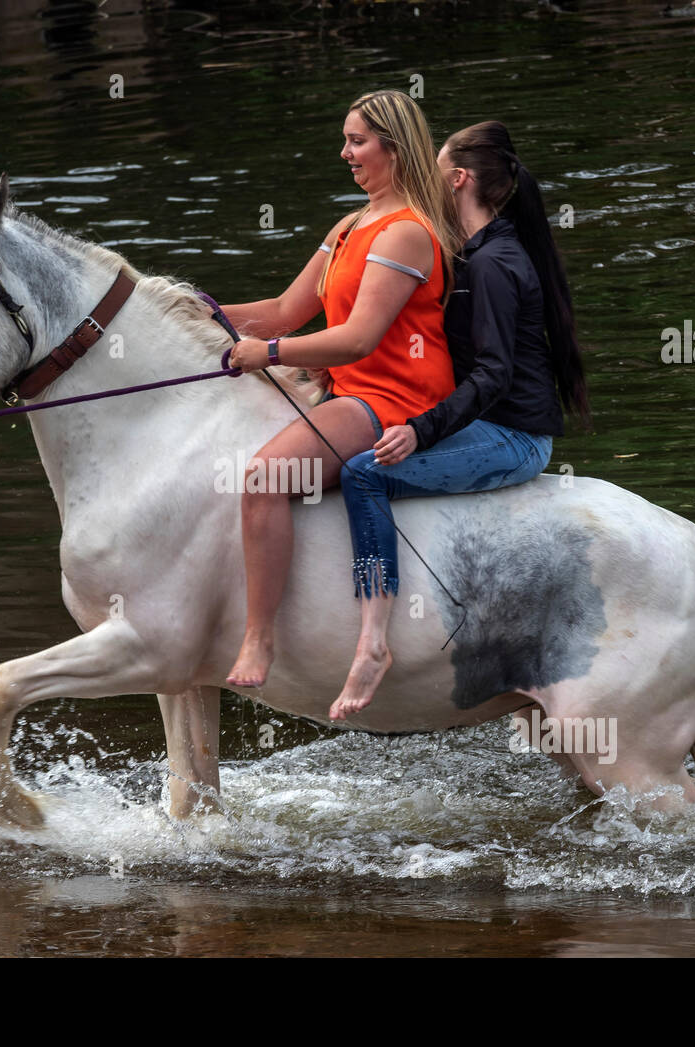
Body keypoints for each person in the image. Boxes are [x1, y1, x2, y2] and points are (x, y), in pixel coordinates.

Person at [328, 120, 592, 722]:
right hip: (485, 423)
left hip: (513, 438)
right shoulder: (470, 253)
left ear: (457, 179)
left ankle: (373, 641)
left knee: (364, 474)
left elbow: (495, 376)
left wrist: (420, 429)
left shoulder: (496, 262)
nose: (421, 178)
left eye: (434, 167)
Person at [220, 89, 463, 690]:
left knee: (263, 477)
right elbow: (281, 310)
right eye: (347, 140)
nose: (345, 153)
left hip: (394, 400)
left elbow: (355, 340)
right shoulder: (351, 224)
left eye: (357, 141)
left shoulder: (406, 233)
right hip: (350, 392)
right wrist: (172, 311)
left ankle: (258, 639)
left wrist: (267, 356)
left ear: (395, 148)